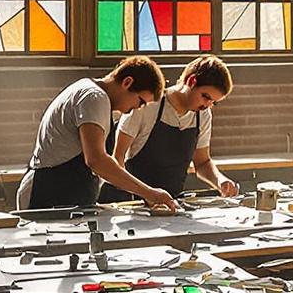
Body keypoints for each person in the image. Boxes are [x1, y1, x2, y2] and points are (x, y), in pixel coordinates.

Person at [14, 57, 180, 213]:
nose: (138, 108)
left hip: (67, 197)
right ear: (127, 82)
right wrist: (150, 193)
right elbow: (96, 160)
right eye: (140, 101)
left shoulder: (93, 93)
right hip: (48, 195)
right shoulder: (94, 98)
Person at [115, 55, 242, 202]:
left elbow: (202, 163)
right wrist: (144, 195)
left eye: (214, 102)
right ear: (191, 81)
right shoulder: (148, 104)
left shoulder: (203, 115)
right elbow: (118, 158)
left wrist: (220, 182)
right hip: (135, 202)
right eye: (206, 97)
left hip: (172, 204)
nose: (207, 105)